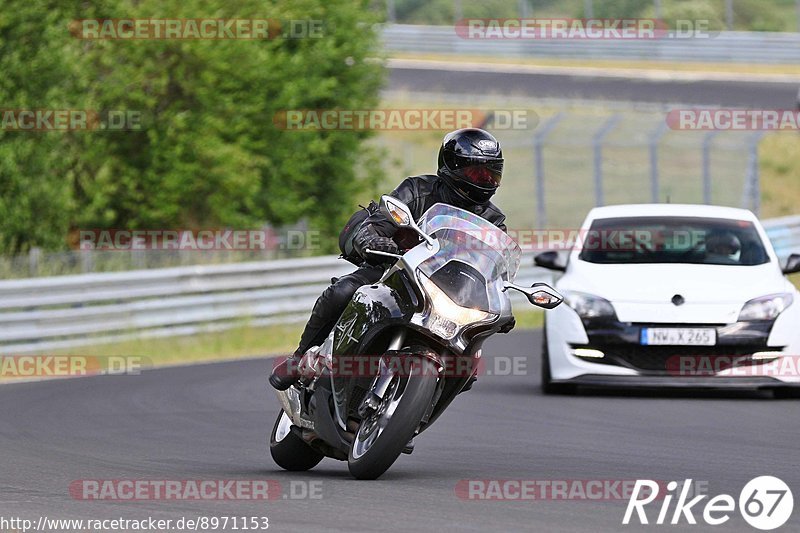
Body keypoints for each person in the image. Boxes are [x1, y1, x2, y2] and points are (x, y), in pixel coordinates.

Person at [270, 128, 510, 390]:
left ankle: (419, 409)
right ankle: (299, 357)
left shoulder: (494, 221)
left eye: (492, 173)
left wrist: (502, 303)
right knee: (345, 290)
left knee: (468, 366)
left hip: (450, 294)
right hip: (396, 273)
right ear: (452, 166)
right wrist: (373, 240)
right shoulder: (417, 190)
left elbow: (495, 270)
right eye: (477, 172)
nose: (485, 180)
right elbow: (379, 222)